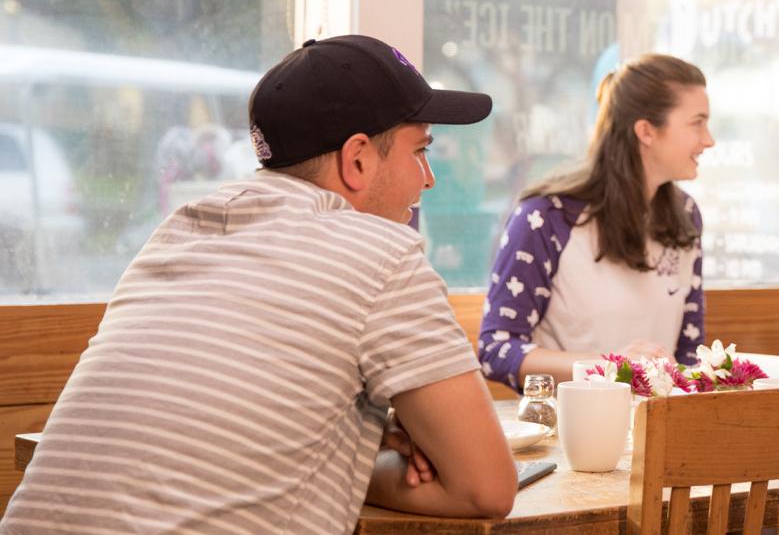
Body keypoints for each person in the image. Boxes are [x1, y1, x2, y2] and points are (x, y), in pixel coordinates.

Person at [1, 35, 518, 533]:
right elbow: (486, 490)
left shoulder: (180, 232)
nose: (427, 178)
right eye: (419, 151)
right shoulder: (382, 256)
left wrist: (359, 439)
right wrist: (365, 468)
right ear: (358, 158)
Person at [478, 54, 712, 390]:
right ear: (646, 131)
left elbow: (688, 354)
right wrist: (609, 367)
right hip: (566, 431)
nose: (709, 139)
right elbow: (495, 351)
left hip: (660, 429)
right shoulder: (545, 217)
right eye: (697, 123)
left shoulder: (686, 214)